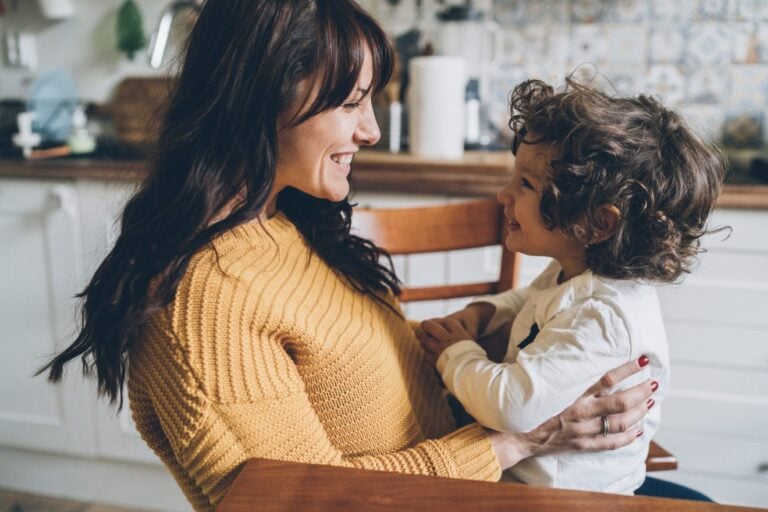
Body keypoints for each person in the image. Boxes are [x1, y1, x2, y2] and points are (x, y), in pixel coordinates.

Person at [37, 2, 656, 511]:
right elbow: (305, 501)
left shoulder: (285, 227)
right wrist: (520, 437)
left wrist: (560, 381)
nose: (372, 131)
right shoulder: (203, 303)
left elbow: (365, 374)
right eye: (350, 102)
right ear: (262, 100)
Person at [418, 77, 726, 495]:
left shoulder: (603, 316)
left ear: (598, 223)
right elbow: (533, 300)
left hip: (562, 499)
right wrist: (485, 313)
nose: (503, 195)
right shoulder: (579, 273)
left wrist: (454, 354)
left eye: (526, 184)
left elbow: (511, 407)